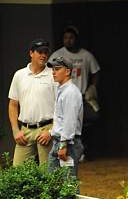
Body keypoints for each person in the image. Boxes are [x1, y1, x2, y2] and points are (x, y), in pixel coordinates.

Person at [50, 25, 100, 160]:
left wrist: (92, 87)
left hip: (83, 95)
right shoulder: (57, 55)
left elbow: (96, 72)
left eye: (71, 38)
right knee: (63, 121)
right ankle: (70, 150)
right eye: (65, 38)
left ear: (76, 39)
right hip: (62, 95)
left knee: (88, 120)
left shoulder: (86, 55)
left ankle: (81, 149)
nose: (68, 40)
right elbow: (50, 72)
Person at [8, 38, 55, 166]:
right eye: (40, 52)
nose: (44, 55)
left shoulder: (53, 75)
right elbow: (13, 104)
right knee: (18, 171)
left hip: (46, 128)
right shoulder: (19, 75)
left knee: (48, 174)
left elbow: (61, 107)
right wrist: (15, 130)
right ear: (31, 53)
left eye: (46, 52)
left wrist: (52, 131)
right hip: (25, 130)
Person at [47, 57, 83, 178]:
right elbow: (61, 119)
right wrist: (51, 132)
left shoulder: (70, 92)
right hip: (60, 141)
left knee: (68, 184)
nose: (53, 72)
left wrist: (63, 145)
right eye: (53, 69)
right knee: (53, 183)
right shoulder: (62, 90)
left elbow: (69, 121)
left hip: (68, 144)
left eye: (57, 69)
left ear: (67, 71)